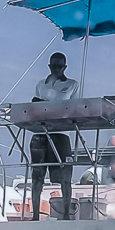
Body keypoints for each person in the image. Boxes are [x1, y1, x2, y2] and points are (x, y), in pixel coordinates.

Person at [30, 52, 79, 220]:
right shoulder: (40, 85)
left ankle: (66, 215)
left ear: (65, 67)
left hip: (60, 133)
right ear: (49, 66)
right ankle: (35, 215)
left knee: (65, 177)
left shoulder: (72, 85)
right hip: (40, 132)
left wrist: (47, 105)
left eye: (60, 66)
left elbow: (73, 108)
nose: (57, 69)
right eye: (54, 66)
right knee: (37, 176)